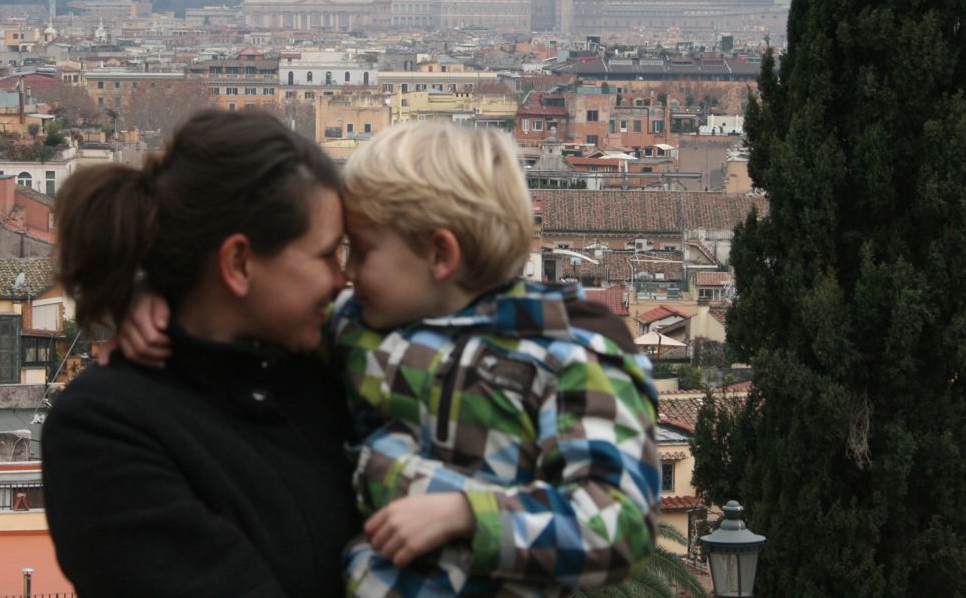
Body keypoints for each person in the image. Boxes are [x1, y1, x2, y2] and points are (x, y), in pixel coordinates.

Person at [116, 121, 661, 597]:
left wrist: (467, 515)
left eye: (363, 250)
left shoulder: (571, 357)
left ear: (439, 254)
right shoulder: (356, 326)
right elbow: (246, 317)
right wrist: (155, 295)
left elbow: (620, 524)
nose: (347, 274)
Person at [41, 109, 360, 598]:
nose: (343, 279)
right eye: (326, 255)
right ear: (238, 263)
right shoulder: (105, 427)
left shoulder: (336, 368)